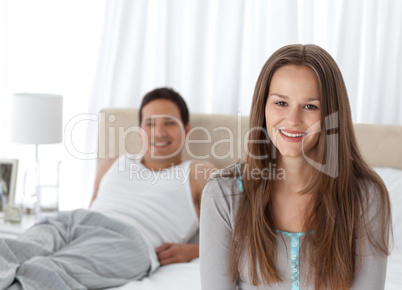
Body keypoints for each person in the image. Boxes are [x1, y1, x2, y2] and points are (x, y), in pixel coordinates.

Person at [200, 44, 392, 290]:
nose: (292, 120)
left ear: (332, 115)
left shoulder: (367, 196)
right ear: (263, 108)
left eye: (310, 106)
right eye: (281, 103)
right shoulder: (222, 193)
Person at [0, 88, 215, 290]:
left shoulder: (199, 173)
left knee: (47, 270)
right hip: (74, 221)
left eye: (169, 123)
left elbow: (239, 238)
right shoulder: (113, 162)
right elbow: (92, 206)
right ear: (140, 131)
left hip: (128, 240)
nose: (158, 132)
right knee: (8, 252)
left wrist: (194, 251)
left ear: (186, 129)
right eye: (150, 124)